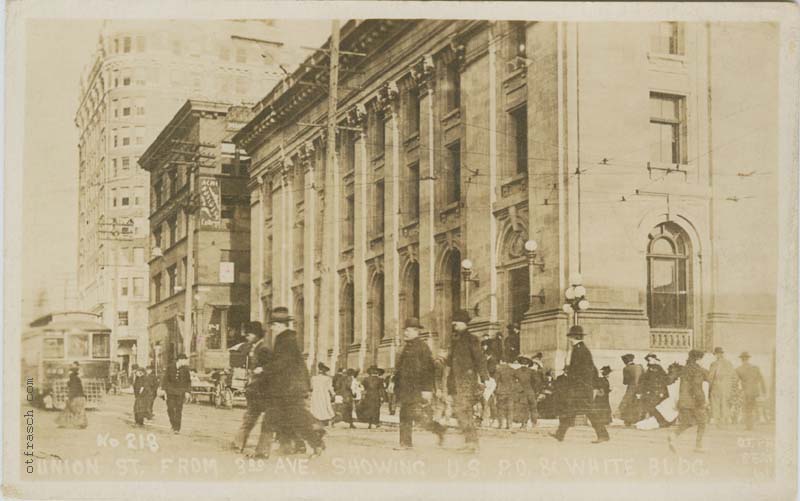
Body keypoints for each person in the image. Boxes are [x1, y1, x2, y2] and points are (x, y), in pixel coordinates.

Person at [263, 307, 325, 457]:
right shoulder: (285, 339)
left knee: (296, 417)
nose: (272, 328)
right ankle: (290, 446)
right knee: (284, 417)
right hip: (288, 386)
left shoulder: (285, 340)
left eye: (274, 325)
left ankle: (317, 442)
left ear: (281, 325)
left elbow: (282, 363)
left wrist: (264, 369)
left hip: (291, 387)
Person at [550, 325, 609, 443]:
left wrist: (570, 378)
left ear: (573, 337)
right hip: (581, 387)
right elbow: (593, 369)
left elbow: (582, 370)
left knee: (589, 411)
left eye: (570, 337)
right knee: (570, 409)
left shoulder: (579, 350)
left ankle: (603, 435)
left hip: (580, 388)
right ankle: (560, 434)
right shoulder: (582, 349)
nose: (569, 340)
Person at [394, 317, 446, 450]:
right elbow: (400, 369)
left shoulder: (422, 347)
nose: (405, 333)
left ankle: (437, 429)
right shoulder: (406, 347)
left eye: (408, 330)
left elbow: (428, 370)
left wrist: (427, 389)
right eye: (405, 330)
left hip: (417, 389)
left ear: (416, 331)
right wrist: (394, 383)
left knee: (417, 416)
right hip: (405, 388)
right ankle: (406, 443)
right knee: (405, 415)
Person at [447, 310, 489, 453]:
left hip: (466, 381)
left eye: (457, 322)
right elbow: (451, 362)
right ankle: (469, 442)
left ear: (464, 323)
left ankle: (472, 443)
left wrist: (484, 378)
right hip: (456, 381)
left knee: (464, 411)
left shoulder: (472, 339)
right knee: (461, 412)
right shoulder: (455, 340)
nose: (454, 324)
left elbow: (480, 359)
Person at [232, 321, 273, 457]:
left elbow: (269, 368)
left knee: (260, 420)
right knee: (251, 418)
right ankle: (239, 443)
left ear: (255, 334)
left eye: (249, 334)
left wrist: (258, 372)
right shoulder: (256, 347)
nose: (246, 337)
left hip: (262, 390)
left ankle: (241, 444)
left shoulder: (263, 348)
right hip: (257, 390)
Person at [667, 349, 710, 453]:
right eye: (702, 359)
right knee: (703, 422)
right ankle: (698, 446)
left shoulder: (685, 369)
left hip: (683, 401)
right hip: (694, 402)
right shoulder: (697, 370)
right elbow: (696, 387)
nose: (703, 361)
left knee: (688, 422)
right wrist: (702, 401)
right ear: (698, 359)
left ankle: (674, 435)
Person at [638, 353, 671, 428]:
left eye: (650, 359)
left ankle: (661, 421)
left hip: (657, 391)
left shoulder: (657, 368)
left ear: (654, 359)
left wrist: (662, 391)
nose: (649, 361)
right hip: (651, 391)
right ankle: (660, 421)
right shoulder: (649, 369)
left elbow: (664, 379)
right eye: (648, 360)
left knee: (654, 407)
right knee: (652, 406)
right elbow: (644, 380)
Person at [736, 352, 766, 431]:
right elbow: (761, 379)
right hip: (754, 391)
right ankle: (751, 425)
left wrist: (738, 391)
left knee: (747, 409)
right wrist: (764, 391)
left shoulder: (739, 369)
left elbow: (735, 382)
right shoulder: (755, 368)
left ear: (741, 359)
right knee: (752, 408)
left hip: (746, 391)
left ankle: (749, 426)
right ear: (748, 359)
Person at [162, 353, 191, 434]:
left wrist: (188, 391)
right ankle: (173, 423)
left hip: (180, 392)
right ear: (180, 360)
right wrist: (164, 390)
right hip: (170, 392)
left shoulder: (186, 369)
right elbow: (165, 379)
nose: (185, 362)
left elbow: (188, 381)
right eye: (185, 360)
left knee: (178, 410)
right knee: (170, 409)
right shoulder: (170, 367)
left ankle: (177, 428)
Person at [709, 346, 736, 428]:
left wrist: (709, 388)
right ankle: (725, 422)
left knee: (716, 404)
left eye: (716, 354)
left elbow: (711, 376)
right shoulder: (729, 363)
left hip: (716, 386)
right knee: (725, 404)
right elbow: (733, 376)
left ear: (717, 354)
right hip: (726, 387)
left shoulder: (714, 364)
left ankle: (718, 423)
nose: (716, 356)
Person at [57, 364, 88, 429]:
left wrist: (69, 397)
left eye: (70, 371)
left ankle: (65, 423)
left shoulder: (73, 378)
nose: (68, 372)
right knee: (78, 410)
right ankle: (81, 423)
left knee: (72, 409)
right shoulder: (76, 379)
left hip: (77, 397)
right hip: (80, 397)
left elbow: (74, 389)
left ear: (72, 372)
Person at [514, 356, 539, 429]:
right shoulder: (532, 371)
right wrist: (535, 390)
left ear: (520, 363)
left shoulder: (516, 372)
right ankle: (534, 423)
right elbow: (537, 382)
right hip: (530, 391)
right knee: (533, 407)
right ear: (528, 364)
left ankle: (524, 424)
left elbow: (514, 382)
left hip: (521, 392)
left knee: (523, 408)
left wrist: (518, 389)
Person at [618, 354, 643, 426]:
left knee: (628, 403)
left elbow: (625, 382)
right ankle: (636, 419)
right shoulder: (639, 367)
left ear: (625, 361)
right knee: (636, 403)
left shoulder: (626, 368)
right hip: (639, 388)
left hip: (631, 388)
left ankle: (628, 420)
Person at [433, 349, 450, 425]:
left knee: (443, 404)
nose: (447, 353)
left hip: (443, 387)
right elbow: (437, 377)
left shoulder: (443, 362)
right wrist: (438, 389)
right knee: (442, 404)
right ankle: (438, 420)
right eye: (445, 352)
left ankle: (440, 420)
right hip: (441, 387)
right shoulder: (438, 363)